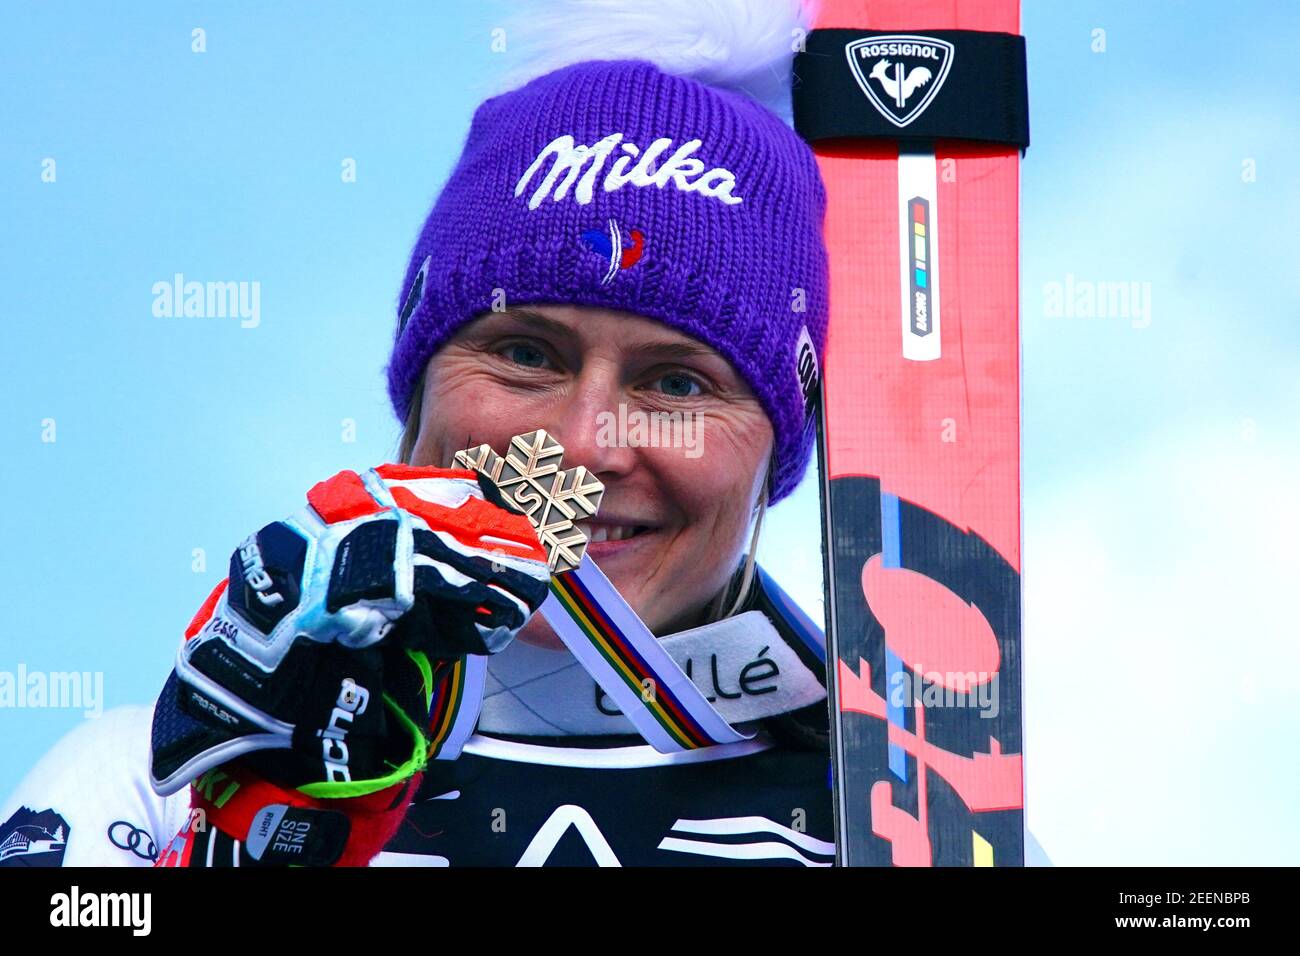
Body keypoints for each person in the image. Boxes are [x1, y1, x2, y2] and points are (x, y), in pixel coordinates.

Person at [0, 1, 841, 867]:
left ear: (782, 440)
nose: (586, 444)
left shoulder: (906, 808)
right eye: (525, 353)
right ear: (420, 389)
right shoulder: (152, 787)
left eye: (676, 383)